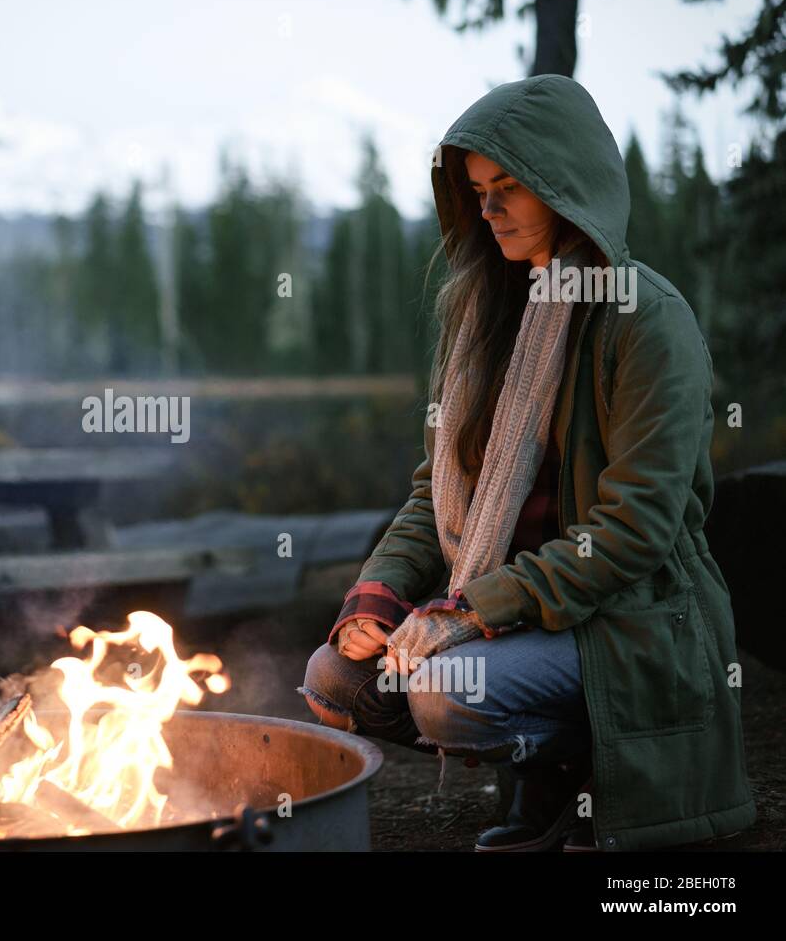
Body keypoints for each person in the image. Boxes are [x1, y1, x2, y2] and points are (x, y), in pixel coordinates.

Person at [300, 74, 755, 852]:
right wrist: (374, 602)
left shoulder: (645, 319)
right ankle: (544, 775)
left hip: (631, 618)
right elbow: (433, 494)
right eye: (477, 191)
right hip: (515, 609)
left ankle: (584, 782)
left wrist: (471, 612)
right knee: (333, 678)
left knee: (447, 689)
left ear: (565, 186)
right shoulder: (490, 312)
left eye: (510, 187)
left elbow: (633, 531)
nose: (488, 209)